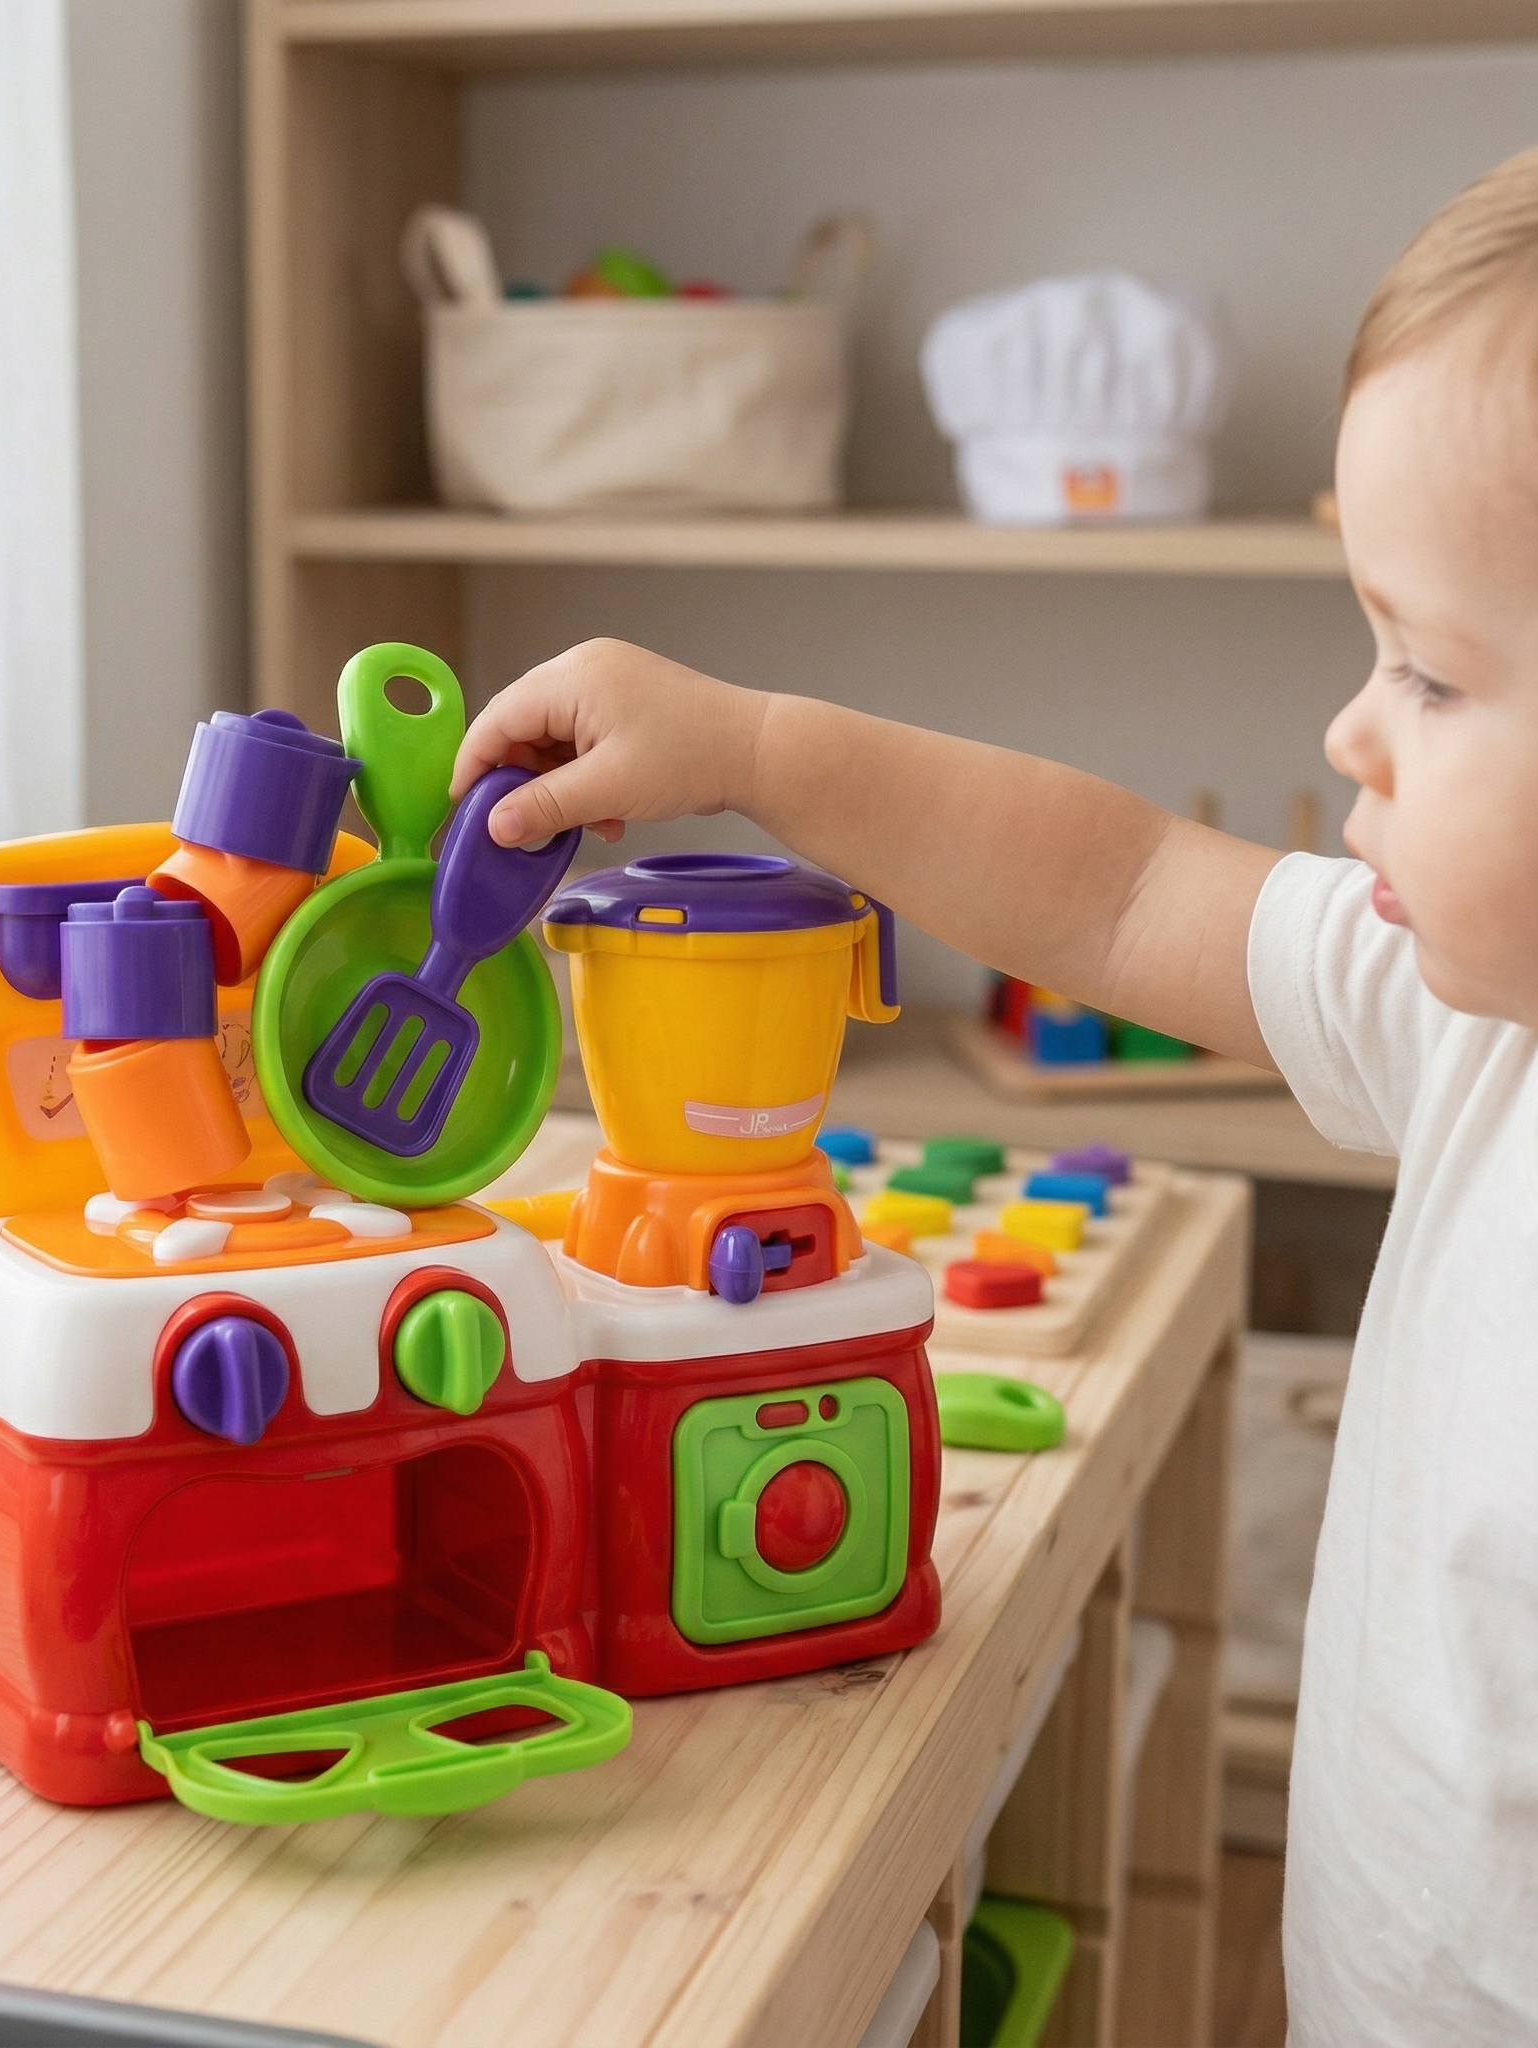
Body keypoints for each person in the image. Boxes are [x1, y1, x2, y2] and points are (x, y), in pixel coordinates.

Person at [450, 147, 1538, 2047]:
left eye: (1432, 677)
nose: (1349, 729)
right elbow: (1118, 889)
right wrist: (755, 747)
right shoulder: (1479, 1022)